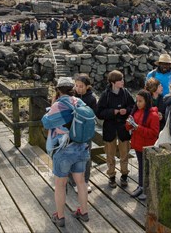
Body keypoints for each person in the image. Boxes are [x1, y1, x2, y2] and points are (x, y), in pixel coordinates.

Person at [42, 77, 91, 227]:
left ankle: (60, 217)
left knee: (60, 184)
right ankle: (83, 212)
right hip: (81, 147)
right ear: (73, 89)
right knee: (81, 182)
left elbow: (46, 122)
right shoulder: (80, 102)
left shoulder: (59, 105)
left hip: (64, 150)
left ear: (58, 90)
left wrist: (51, 107)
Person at [96, 70, 134, 188]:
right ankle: (111, 176)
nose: (123, 82)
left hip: (123, 127)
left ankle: (124, 176)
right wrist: (114, 112)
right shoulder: (105, 95)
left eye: (122, 79)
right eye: (120, 80)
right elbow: (99, 113)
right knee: (110, 154)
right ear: (113, 82)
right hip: (110, 127)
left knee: (125, 153)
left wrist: (126, 111)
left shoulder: (126, 93)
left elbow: (133, 107)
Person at [125, 89, 159, 201]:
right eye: (137, 101)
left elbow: (154, 133)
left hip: (147, 147)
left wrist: (137, 127)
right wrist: (129, 124)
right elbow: (128, 127)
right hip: (138, 145)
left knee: (147, 168)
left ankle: (147, 190)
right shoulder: (136, 112)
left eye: (140, 101)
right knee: (141, 167)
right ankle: (141, 186)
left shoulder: (153, 115)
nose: (137, 103)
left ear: (147, 101)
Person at [69, 74, 97, 194]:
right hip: (73, 131)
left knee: (86, 157)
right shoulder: (70, 96)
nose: (78, 88)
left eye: (81, 86)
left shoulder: (91, 99)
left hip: (85, 133)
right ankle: (74, 181)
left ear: (87, 86)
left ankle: (85, 180)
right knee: (72, 157)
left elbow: (93, 115)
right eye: (76, 86)